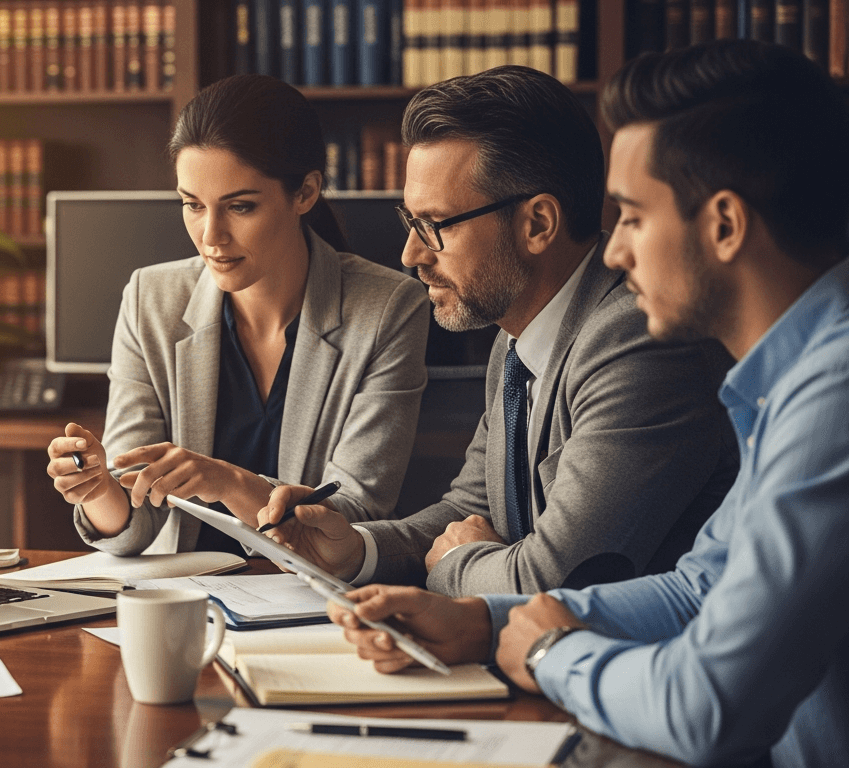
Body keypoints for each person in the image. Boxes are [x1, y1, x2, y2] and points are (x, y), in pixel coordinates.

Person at [317, 41, 849, 768]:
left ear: (724, 225)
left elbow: (710, 705)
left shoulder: (834, 392)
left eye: (631, 216)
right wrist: (481, 622)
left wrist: (552, 651)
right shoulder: (788, 381)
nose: (615, 250)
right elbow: (700, 589)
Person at [259, 65, 739, 595]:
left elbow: (553, 580)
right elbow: (471, 509)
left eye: (435, 226)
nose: (410, 254)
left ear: (537, 224)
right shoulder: (516, 338)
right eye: (410, 222)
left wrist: (459, 561)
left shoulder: (638, 342)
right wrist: (355, 549)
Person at [44, 75, 430, 556]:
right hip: (187, 599)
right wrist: (99, 489)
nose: (211, 236)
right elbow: (135, 520)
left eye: (240, 207)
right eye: (193, 205)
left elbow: (356, 513)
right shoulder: (151, 299)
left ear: (305, 192)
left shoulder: (389, 308)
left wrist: (229, 482)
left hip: (312, 600)